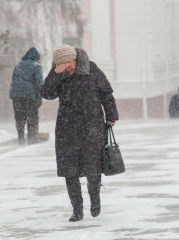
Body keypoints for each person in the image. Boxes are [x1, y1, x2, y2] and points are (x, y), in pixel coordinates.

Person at [41, 45, 119, 222]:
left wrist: (111, 115)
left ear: (75, 59)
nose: (67, 68)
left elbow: (106, 93)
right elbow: (46, 93)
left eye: (69, 64)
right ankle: (77, 210)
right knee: (70, 170)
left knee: (93, 167)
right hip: (67, 128)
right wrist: (56, 73)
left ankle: (95, 200)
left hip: (92, 125)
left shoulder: (92, 69)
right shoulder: (59, 74)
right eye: (62, 66)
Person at [10, 48, 43, 144]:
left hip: (16, 95)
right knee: (32, 115)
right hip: (30, 95)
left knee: (19, 116)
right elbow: (39, 83)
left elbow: (14, 80)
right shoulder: (36, 66)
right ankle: (31, 138)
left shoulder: (18, 65)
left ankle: (20, 138)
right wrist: (40, 97)